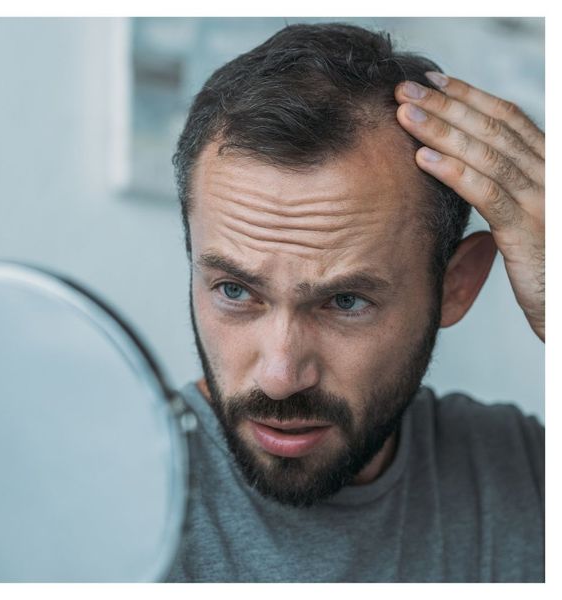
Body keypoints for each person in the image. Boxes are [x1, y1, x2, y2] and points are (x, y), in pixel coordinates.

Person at [164, 22, 545, 583]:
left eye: (345, 301)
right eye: (236, 291)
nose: (280, 376)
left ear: (457, 285)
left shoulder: (527, 479)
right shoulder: (99, 497)